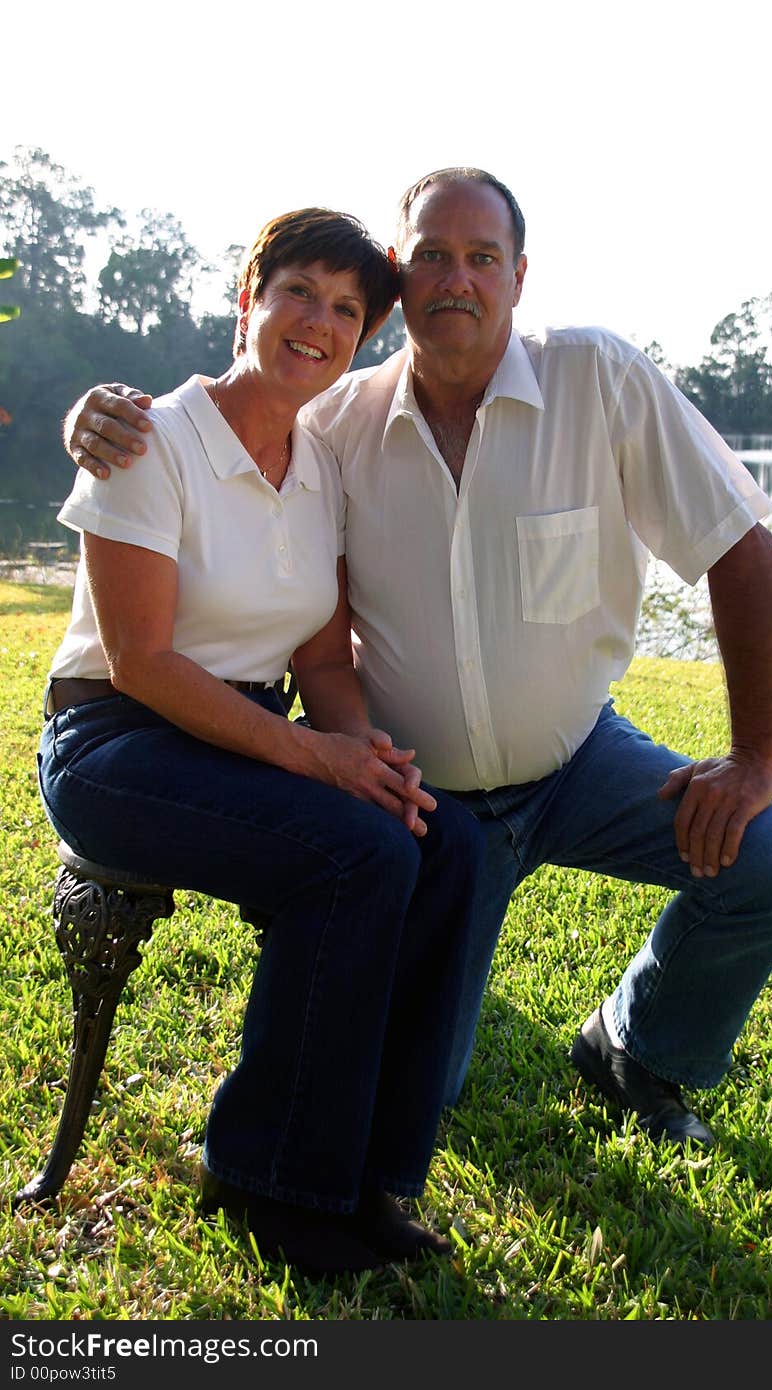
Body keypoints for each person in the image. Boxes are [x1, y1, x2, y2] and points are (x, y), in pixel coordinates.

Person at [64, 168, 772, 1151]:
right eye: (431, 254)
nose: (455, 277)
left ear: (518, 275)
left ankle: (639, 1047)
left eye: (480, 257)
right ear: (403, 272)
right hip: (426, 795)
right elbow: (220, 426)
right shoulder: (334, 426)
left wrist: (753, 757)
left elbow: (738, 544)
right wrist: (95, 414)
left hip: (579, 764)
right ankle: (425, 980)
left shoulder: (598, 378)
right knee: (431, 1083)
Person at [39, 207, 485, 1276]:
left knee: (443, 843)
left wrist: (368, 760)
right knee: (357, 852)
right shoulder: (148, 438)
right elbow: (142, 660)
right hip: (115, 743)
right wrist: (314, 761)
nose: (318, 322)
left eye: (345, 310)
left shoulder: (320, 460)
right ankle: (267, 1182)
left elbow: (326, 661)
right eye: (299, 292)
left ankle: (374, 1177)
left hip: (238, 733)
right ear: (251, 297)